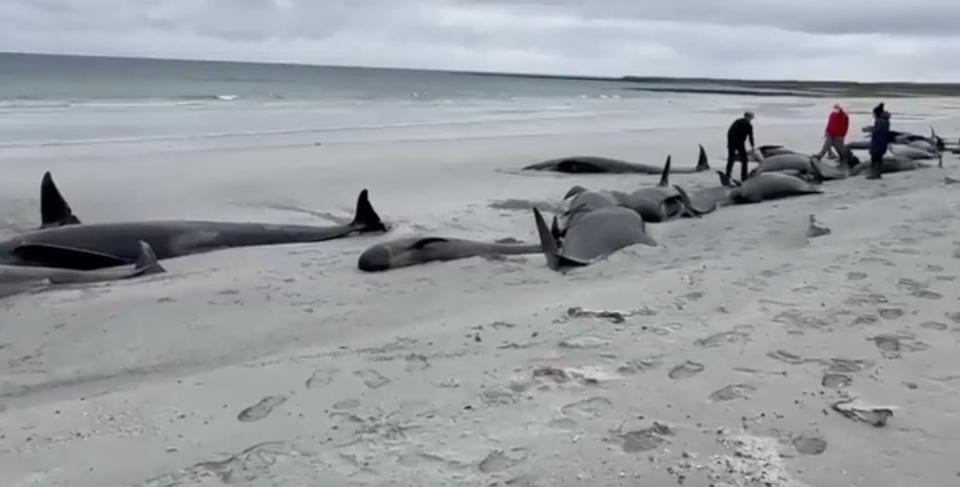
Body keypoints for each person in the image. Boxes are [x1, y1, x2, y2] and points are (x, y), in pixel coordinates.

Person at [726, 111, 755, 181]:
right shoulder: (749, 125)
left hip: (732, 143)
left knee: (731, 159)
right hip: (739, 143)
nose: (751, 119)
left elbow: (729, 132)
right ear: (747, 117)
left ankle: (727, 174)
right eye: (751, 117)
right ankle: (744, 177)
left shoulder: (737, 121)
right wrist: (752, 146)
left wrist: (729, 143)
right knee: (744, 160)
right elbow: (750, 137)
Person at [868, 103, 891, 180]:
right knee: (879, 159)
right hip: (882, 143)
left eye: (873, 113)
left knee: (874, 160)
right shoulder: (885, 120)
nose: (873, 115)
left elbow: (877, 132)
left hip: (877, 143)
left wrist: (870, 130)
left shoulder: (879, 121)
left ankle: (875, 174)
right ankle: (877, 174)